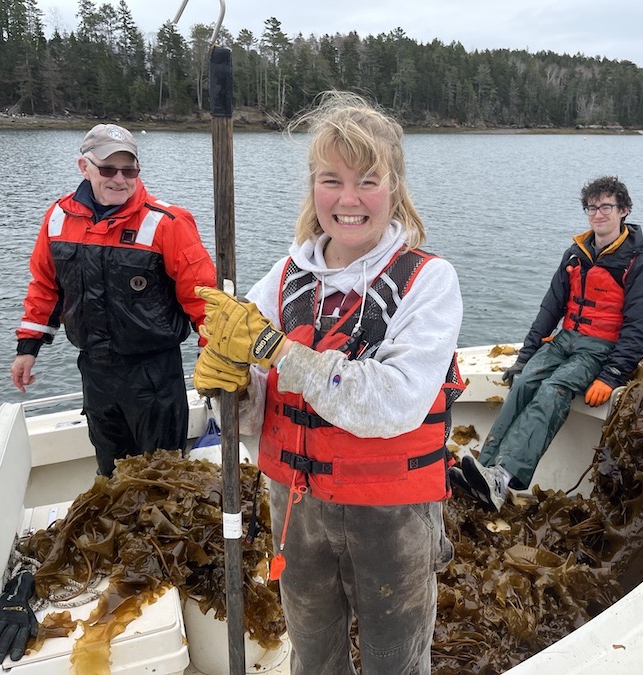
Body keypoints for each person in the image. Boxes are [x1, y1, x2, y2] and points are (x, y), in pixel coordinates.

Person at [193, 91, 463, 674]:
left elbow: (393, 403)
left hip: (392, 515)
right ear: (312, 188)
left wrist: (271, 349)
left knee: (396, 661)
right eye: (330, 179)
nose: (348, 199)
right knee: (313, 659)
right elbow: (252, 412)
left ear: (395, 189)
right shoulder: (283, 278)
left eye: (368, 180)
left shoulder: (430, 281)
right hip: (296, 506)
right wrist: (232, 389)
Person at [11, 123, 216, 477]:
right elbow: (45, 287)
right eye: (108, 169)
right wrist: (27, 348)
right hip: (95, 372)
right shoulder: (58, 218)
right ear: (84, 167)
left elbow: (205, 299)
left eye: (129, 170)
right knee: (110, 469)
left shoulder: (168, 223)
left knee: (163, 476)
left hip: (153, 375)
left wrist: (214, 355)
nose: (119, 179)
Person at [452, 175, 643, 511]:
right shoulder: (575, 254)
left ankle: (502, 478)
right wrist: (525, 357)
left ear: (624, 210)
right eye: (592, 208)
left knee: (553, 390)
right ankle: (483, 469)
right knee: (523, 383)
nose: (598, 214)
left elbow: (641, 325)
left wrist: (612, 376)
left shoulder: (640, 263)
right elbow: (550, 310)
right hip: (564, 340)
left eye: (606, 206)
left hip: (600, 350)